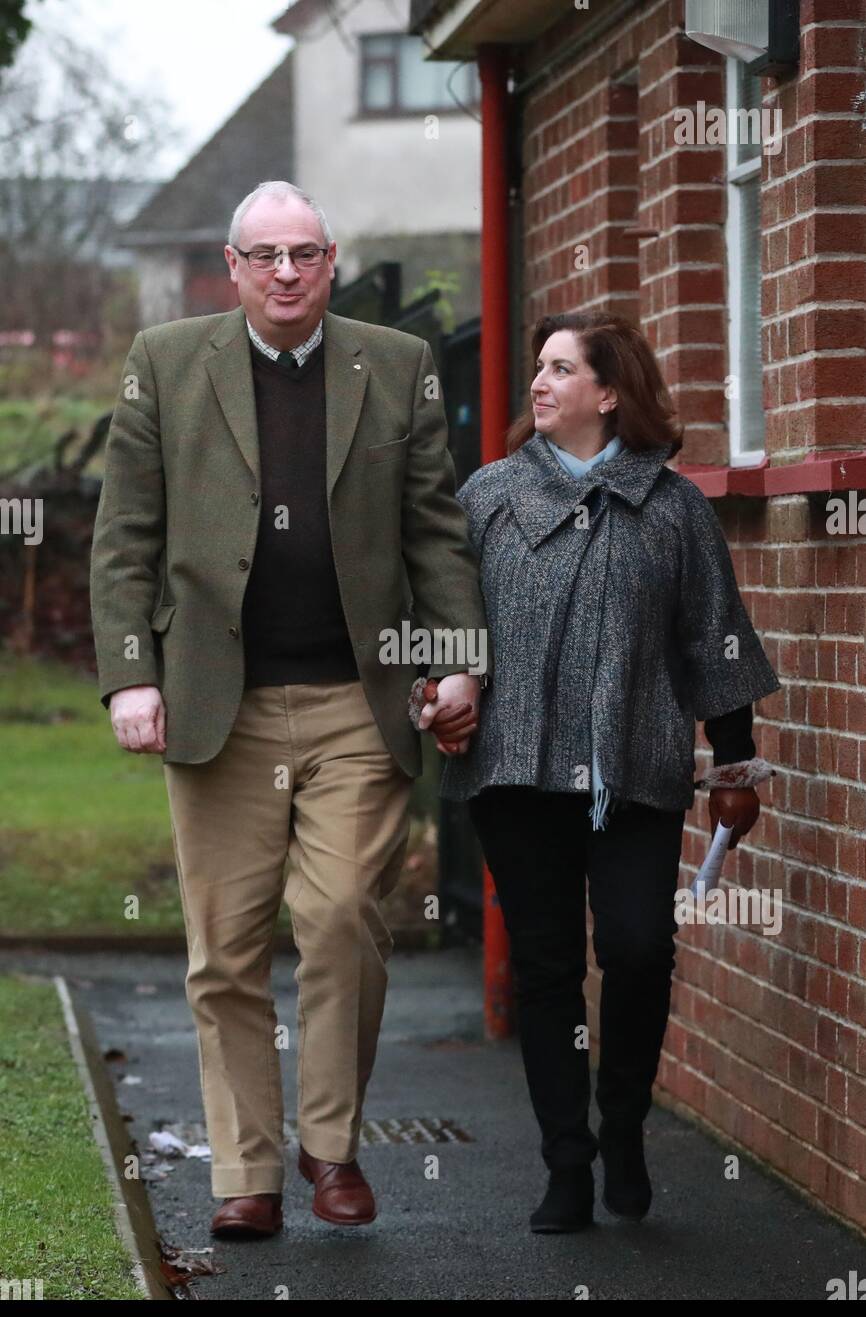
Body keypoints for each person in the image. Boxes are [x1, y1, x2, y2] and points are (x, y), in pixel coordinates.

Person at [89, 180, 486, 1238]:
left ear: (329, 258)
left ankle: (330, 1145)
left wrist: (455, 661)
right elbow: (125, 534)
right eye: (262, 255)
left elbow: (433, 532)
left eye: (302, 253)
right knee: (222, 951)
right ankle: (246, 1175)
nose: (284, 272)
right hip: (218, 703)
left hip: (361, 699)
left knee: (341, 920)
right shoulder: (167, 363)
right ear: (232, 267)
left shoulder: (394, 364)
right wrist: (131, 672)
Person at [438, 310, 781, 1233]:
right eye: (538, 367)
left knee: (638, 947)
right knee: (547, 969)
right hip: (516, 774)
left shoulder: (671, 509)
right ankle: (567, 1164)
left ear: (610, 392)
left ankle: (622, 1123)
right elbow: (443, 618)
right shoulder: (489, 497)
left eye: (561, 370)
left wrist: (734, 765)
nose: (539, 384)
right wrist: (441, 690)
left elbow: (714, 639)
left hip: (635, 772)